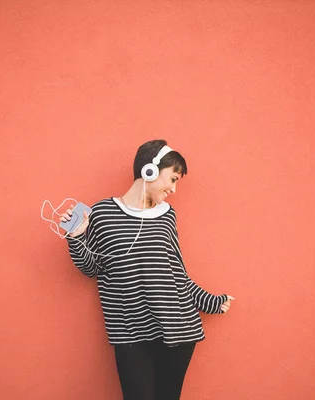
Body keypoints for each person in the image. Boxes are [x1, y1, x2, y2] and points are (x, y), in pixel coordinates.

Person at [60, 139, 234, 400]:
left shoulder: (167, 215)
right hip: (130, 333)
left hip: (178, 330)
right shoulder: (102, 213)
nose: (174, 189)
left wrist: (209, 301)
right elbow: (92, 268)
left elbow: (176, 273)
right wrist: (76, 238)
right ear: (149, 171)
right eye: (173, 179)